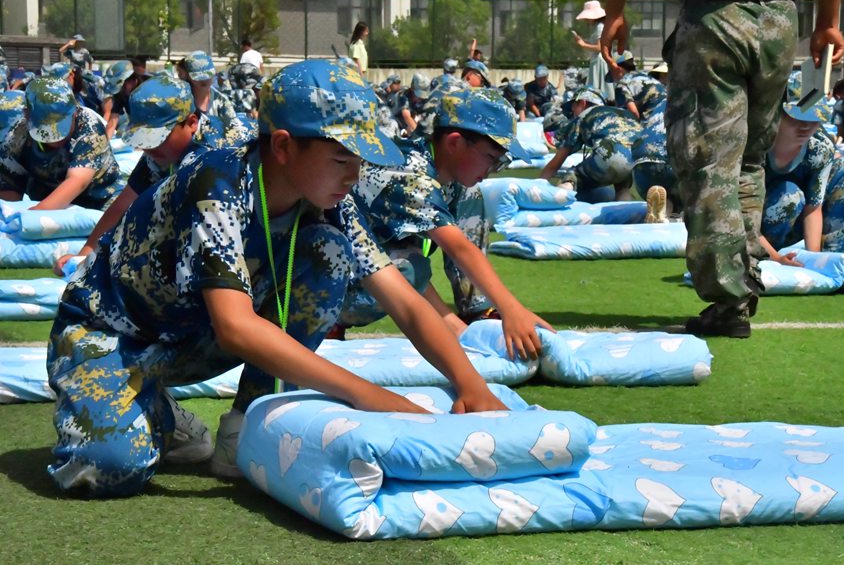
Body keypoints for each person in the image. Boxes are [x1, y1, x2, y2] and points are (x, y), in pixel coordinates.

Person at [45, 59, 506, 497]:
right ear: (283, 146)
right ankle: (153, 411)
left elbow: (401, 299)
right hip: (110, 335)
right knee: (107, 468)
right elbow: (235, 327)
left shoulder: (329, 199)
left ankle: (243, 427)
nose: (355, 174)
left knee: (328, 252)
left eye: (360, 160)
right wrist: (371, 397)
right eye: (342, 157)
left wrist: (472, 386)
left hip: (189, 338)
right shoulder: (216, 182)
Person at [600, 0, 843, 338]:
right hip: (777, 24)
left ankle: (729, 299)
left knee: (709, 163)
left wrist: (614, 13)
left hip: (715, 18)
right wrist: (826, 23)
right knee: (748, 161)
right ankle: (742, 287)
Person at [337, 87, 554, 358]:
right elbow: (455, 249)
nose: (490, 171)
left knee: (469, 197)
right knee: (409, 268)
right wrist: (511, 308)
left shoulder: (452, 180)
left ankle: (477, 310)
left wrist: (457, 329)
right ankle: (331, 321)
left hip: (372, 263)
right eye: (491, 158)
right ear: (454, 143)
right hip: (330, 277)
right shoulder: (411, 175)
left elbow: (393, 253)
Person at [52, 75, 228, 277]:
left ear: (191, 123)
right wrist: (84, 255)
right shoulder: (161, 152)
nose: (148, 146)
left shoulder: (216, 153)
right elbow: (124, 204)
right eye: (143, 138)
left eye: (158, 137)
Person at [0, 77, 121, 210]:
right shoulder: (13, 139)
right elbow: (8, 193)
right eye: (45, 127)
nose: (55, 138)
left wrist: (34, 215)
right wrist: (16, 220)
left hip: (100, 199)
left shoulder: (89, 125)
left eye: (60, 125)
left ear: (75, 111)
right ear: (27, 115)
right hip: (47, 198)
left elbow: (77, 181)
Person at [760, 100, 836, 264]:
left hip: (790, 225)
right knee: (789, 196)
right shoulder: (753, 144)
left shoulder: (820, 149)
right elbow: (739, 211)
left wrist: (814, 258)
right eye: (796, 118)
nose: (806, 126)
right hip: (745, 221)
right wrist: (776, 258)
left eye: (814, 118)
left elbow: (813, 207)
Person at [539, 88, 642, 203]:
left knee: (572, 177)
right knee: (622, 186)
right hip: (637, 161)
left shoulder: (585, 115)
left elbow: (554, 164)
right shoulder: (621, 113)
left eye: (573, 106)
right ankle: (628, 215)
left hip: (611, 156)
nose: (572, 113)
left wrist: (537, 188)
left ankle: (555, 207)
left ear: (582, 103)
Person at [182, 51, 253, 148]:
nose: (204, 80)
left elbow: (234, 129)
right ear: (188, 76)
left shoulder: (220, 100)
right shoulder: (181, 99)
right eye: (199, 76)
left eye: (208, 75)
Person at [572, 0, 614, 103]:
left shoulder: (599, 27)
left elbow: (600, 47)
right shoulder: (598, 27)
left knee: (598, 90)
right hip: (599, 60)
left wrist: (583, 45)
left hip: (600, 61)